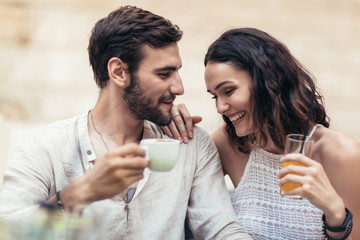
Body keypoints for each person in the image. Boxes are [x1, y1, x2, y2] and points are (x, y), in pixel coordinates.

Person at [0, 6, 252, 239]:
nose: (179, 87)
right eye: (164, 74)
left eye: (177, 72)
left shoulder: (190, 144)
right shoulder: (43, 146)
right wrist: (80, 193)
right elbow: (10, 231)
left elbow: (221, 229)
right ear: (119, 72)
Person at [167, 28, 360, 239]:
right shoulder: (228, 143)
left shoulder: (343, 154)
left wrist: (335, 213)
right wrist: (169, 120)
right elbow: (168, 193)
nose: (220, 107)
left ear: (270, 79)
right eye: (215, 96)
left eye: (228, 91)